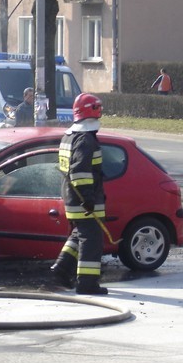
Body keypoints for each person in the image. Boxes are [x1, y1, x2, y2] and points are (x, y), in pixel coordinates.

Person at [50, 93, 108, 295]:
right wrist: (89, 199)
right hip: (84, 199)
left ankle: (61, 269)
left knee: (79, 234)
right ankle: (87, 283)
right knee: (91, 240)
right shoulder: (85, 139)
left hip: (71, 196)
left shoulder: (70, 135)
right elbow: (80, 171)